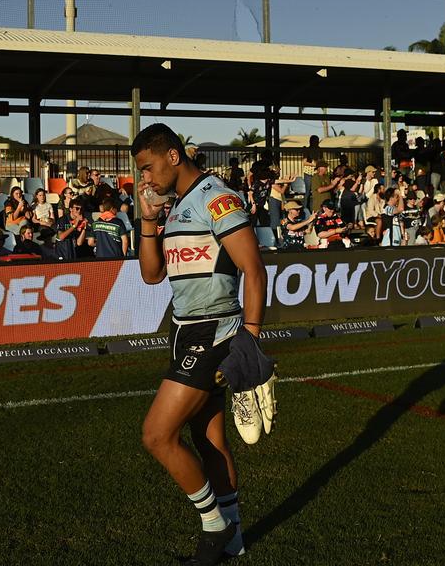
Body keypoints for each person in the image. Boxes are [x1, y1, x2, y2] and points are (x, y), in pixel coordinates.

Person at [132, 123, 266, 565]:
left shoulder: (215, 197)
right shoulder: (175, 207)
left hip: (215, 331)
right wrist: (148, 221)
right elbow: (152, 275)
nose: (145, 179)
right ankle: (235, 541)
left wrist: (249, 336)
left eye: (148, 168)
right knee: (209, 441)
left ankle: (215, 527)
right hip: (184, 330)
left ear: (173, 156)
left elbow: (254, 267)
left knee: (156, 435)